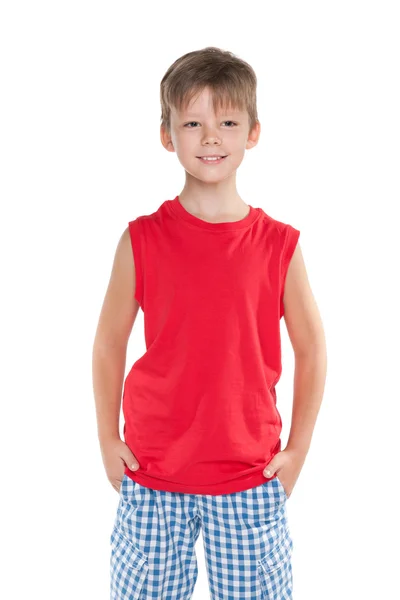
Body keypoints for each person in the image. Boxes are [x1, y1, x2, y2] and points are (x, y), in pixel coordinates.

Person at [92, 46, 327, 600]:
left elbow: (313, 349)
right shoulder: (141, 240)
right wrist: (106, 437)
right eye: (193, 123)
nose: (211, 137)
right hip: (152, 474)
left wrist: (298, 450)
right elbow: (108, 344)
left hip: (251, 476)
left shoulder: (279, 245)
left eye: (227, 121)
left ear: (253, 132)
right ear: (167, 136)